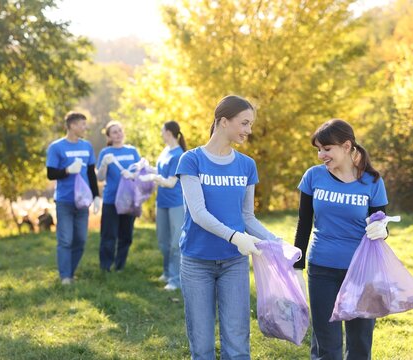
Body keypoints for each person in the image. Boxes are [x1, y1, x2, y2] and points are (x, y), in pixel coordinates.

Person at [176, 95, 278, 359]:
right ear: (223, 121)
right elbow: (198, 213)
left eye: (251, 124)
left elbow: (247, 217)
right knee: (202, 344)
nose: (249, 131)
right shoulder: (191, 160)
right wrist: (235, 237)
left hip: (234, 263)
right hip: (197, 261)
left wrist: (275, 241)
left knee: (237, 342)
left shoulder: (246, 165)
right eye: (244, 123)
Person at [293, 119, 391, 360]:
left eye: (326, 149)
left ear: (346, 146)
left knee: (359, 344)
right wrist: (297, 264)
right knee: (327, 346)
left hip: (361, 270)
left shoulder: (372, 181)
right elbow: (303, 223)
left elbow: (381, 223)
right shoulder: (313, 177)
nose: (320, 155)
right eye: (318, 149)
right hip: (322, 269)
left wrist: (383, 230)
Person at [46, 112, 101, 285]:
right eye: (82, 125)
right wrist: (67, 170)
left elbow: (91, 173)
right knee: (65, 240)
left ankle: (69, 271)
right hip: (64, 201)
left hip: (82, 202)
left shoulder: (87, 147)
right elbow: (50, 174)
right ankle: (65, 277)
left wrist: (96, 196)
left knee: (81, 240)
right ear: (72, 126)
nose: (85, 128)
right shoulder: (56, 147)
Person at [141, 121, 187, 291]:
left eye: (162, 131)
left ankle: (176, 280)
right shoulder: (165, 151)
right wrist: (147, 169)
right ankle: (167, 273)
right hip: (162, 202)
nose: (161, 134)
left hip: (175, 203)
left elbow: (170, 182)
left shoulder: (179, 155)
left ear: (169, 132)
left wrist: (153, 178)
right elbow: (161, 172)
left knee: (176, 242)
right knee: (163, 241)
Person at [97, 120, 141, 272]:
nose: (118, 134)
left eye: (120, 130)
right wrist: (103, 164)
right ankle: (105, 267)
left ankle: (120, 266)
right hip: (111, 200)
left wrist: (133, 174)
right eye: (114, 132)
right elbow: (100, 178)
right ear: (109, 136)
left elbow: (140, 173)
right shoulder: (105, 152)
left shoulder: (132, 151)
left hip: (129, 200)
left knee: (126, 235)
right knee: (108, 236)